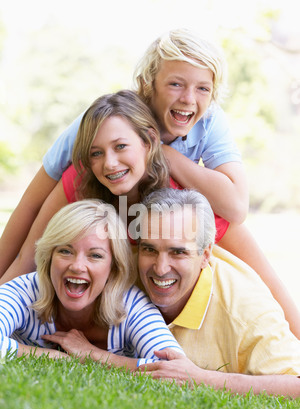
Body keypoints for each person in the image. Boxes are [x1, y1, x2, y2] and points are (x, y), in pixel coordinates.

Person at [1, 29, 299, 337]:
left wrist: (165, 154)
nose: (188, 98)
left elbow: (239, 218)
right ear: (147, 85)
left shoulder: (199, 145)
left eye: (202, 89)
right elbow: (29, 225)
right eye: (174, 84)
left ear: (149, 142)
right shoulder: (94, 135)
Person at [0, 90, 229, 284]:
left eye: (120, 146)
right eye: (96, 153)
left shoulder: (180, 199)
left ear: (148, 142)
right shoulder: (80, 180)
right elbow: (27, 259)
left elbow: (249, 264)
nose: (109, 163)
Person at [136, 188, 300, 398]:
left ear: (205, 255)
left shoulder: (246, 311)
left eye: (178, 252)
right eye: (149, 250)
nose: (160, 268)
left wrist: (202, 379)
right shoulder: (127, 274)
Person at [0, 199, 184, 366]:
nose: (77, 266)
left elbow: (175, 367)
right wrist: (56, 357)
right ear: (49, 257)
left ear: (114, 267)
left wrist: (93, 355)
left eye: (95, 255)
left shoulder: (131, 304)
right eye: (65, 251)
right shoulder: (25, 291)